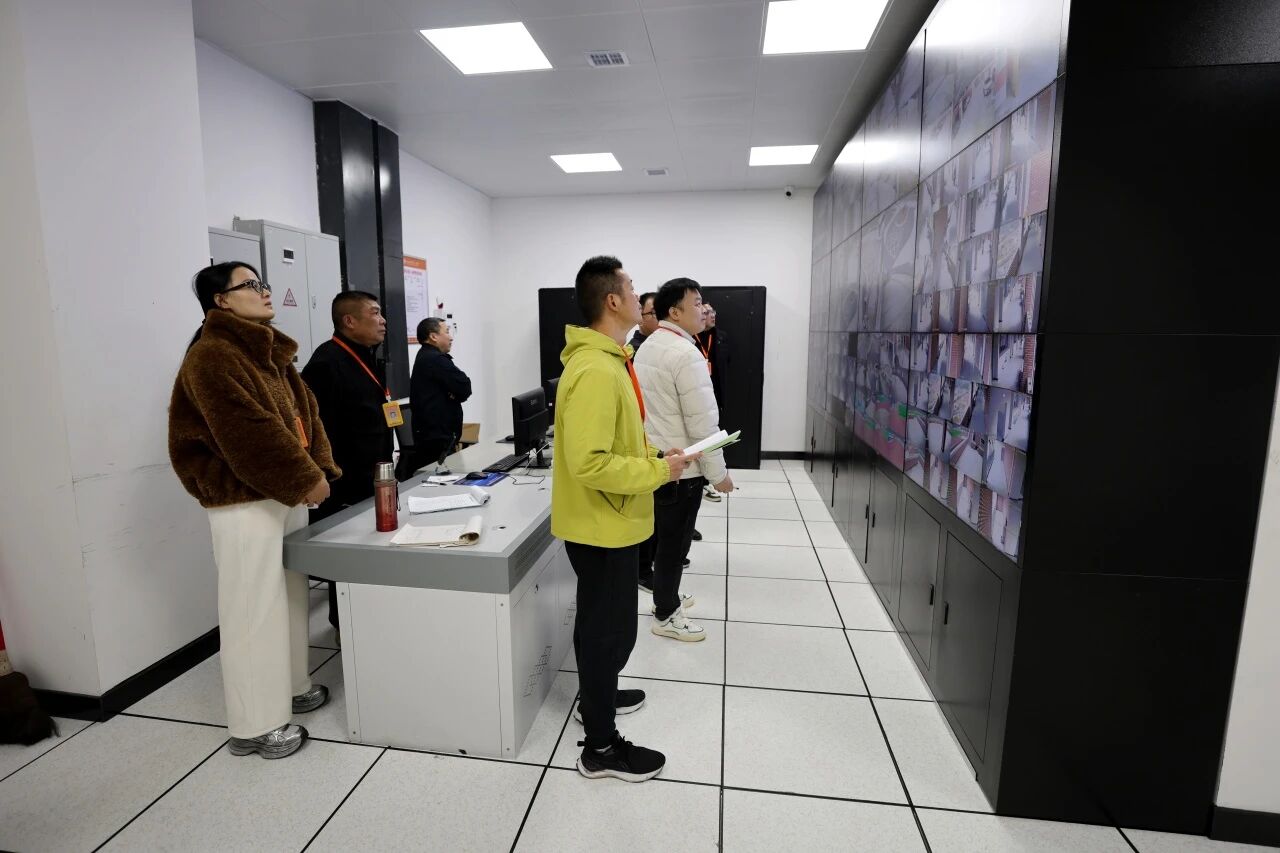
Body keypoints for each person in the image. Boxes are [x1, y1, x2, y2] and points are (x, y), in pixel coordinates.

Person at [169, 262, 339, 759]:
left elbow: (306, 413)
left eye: (263, 283)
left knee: (288, 595)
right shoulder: (212, 355)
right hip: (241, 497)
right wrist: (306, 478)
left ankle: (290, 686)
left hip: (282, 491)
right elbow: (248, 433)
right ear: (221, 301)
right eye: (251, 285)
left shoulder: (268, 352)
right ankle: (255, 724)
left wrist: (318, 468)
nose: (265, 292)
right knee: (251, 608)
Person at [553, 255, 700, 782]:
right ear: (612, 301)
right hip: (603, 526)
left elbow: (617, 441)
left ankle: (599, 694)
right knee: (607, 633)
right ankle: (600, 747)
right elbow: (590, 463)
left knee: (602, 626)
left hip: (609, 520)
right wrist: (658, 471)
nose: (642, 297)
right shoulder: (596, 369)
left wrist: (656, 456)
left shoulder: (609, 359)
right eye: (634, 289)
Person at [634, 278, 734, 641]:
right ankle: (666, 614)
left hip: (659, 462)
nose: (703, 310)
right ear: (674, 312)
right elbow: (703, 424)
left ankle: (666, 595)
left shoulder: (649, 346)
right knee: (674, 546)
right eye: (696, 303)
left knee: (663, 540)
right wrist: (718, 475)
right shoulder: (684, 353)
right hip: (683, 468)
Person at [300, 291, 393, 642]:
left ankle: (368, 620)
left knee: (370, 552)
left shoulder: (367, 358)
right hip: (344, 482)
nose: (383, 320)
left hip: (372, 476)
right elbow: (314, 429)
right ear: (349, 321)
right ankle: (346, 628)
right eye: (375, 313)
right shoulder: (327, 363)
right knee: (347, 558)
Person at [408, 317, 472, 473]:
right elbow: (464, 387)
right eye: (447, 332)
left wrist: (454, 394)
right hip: (437, 442)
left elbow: (461, 390)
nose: (451, 337)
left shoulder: (425, 356)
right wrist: (454, 394)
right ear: (433, 336)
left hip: (432, 438)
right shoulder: (435, 359)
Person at [696, 302, 730, 503]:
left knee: (714, 435)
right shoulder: (690, 338)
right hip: (696, 395)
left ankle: (712, 476)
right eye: (707, 312)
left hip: (715, 395)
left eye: (713, 311)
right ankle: (703, 481)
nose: (711, 315)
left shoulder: (720, 337)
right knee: (700, 436)